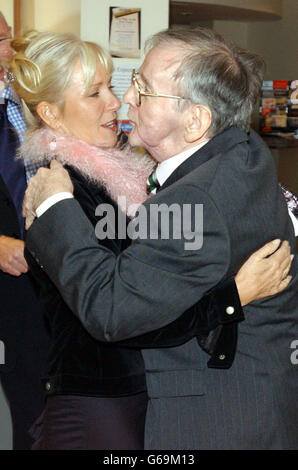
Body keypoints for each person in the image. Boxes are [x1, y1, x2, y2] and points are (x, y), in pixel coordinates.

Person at [8, 30, 291, 450]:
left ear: (196, 120)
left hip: (158, 401)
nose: (118, 101)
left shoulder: (147, 179)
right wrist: (234, 296)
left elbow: (143, 297)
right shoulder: (61, 191)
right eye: (94, 92)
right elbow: (117, 316)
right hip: (102, 402)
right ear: (50, 112)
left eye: (130, 87)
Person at [0, 13, 49, 450]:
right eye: (0, 41)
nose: (9, 52)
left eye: (8, 38)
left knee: (36, 402)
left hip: (39, 276)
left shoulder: (24, 99)